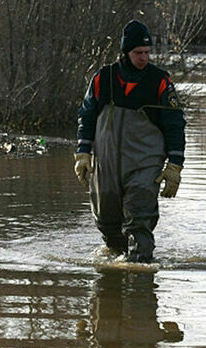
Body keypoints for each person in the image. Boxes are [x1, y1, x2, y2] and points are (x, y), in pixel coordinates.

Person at [74, 19, 185, 263]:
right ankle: (114, 282)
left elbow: (175, 124)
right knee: (108, 225)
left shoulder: (160, 82)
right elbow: (87, 115)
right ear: (126, 51)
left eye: (147, 52)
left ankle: (140, 283)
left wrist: (175, 166)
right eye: (138, 53)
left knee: (139, 223)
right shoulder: (103, 78)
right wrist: (83, 153)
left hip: (144, 165)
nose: (144, 57)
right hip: (107, 164)